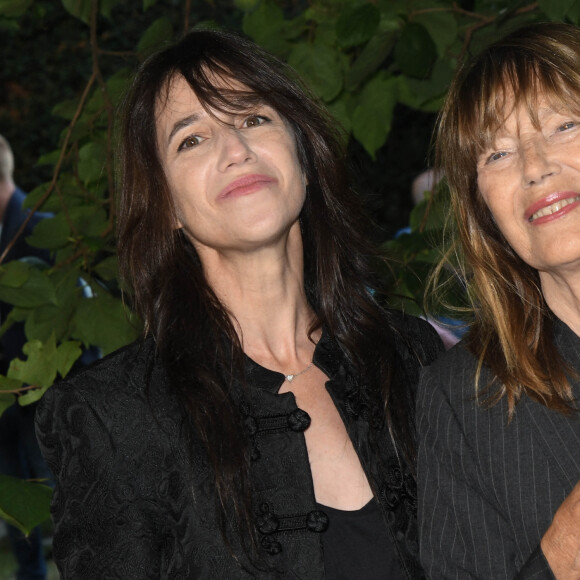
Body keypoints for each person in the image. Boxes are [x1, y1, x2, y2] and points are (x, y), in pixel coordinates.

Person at [35, 28, 443, 579]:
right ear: (166, 206)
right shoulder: (113, 417)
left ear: (304, 157)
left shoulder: (413, 358)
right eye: (192, 139)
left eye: (253, 119)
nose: (235, 150)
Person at [417, 22, 580, 579]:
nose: (536, 167)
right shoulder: (465, 401)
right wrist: (561, 553)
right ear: (484, 211)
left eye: (564, 124)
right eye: (498, 155)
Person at [0, 134, 53, 580]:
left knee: (67, 496)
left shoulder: (45, 230)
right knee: (16, 504)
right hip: (2, 404)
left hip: (46, 398)